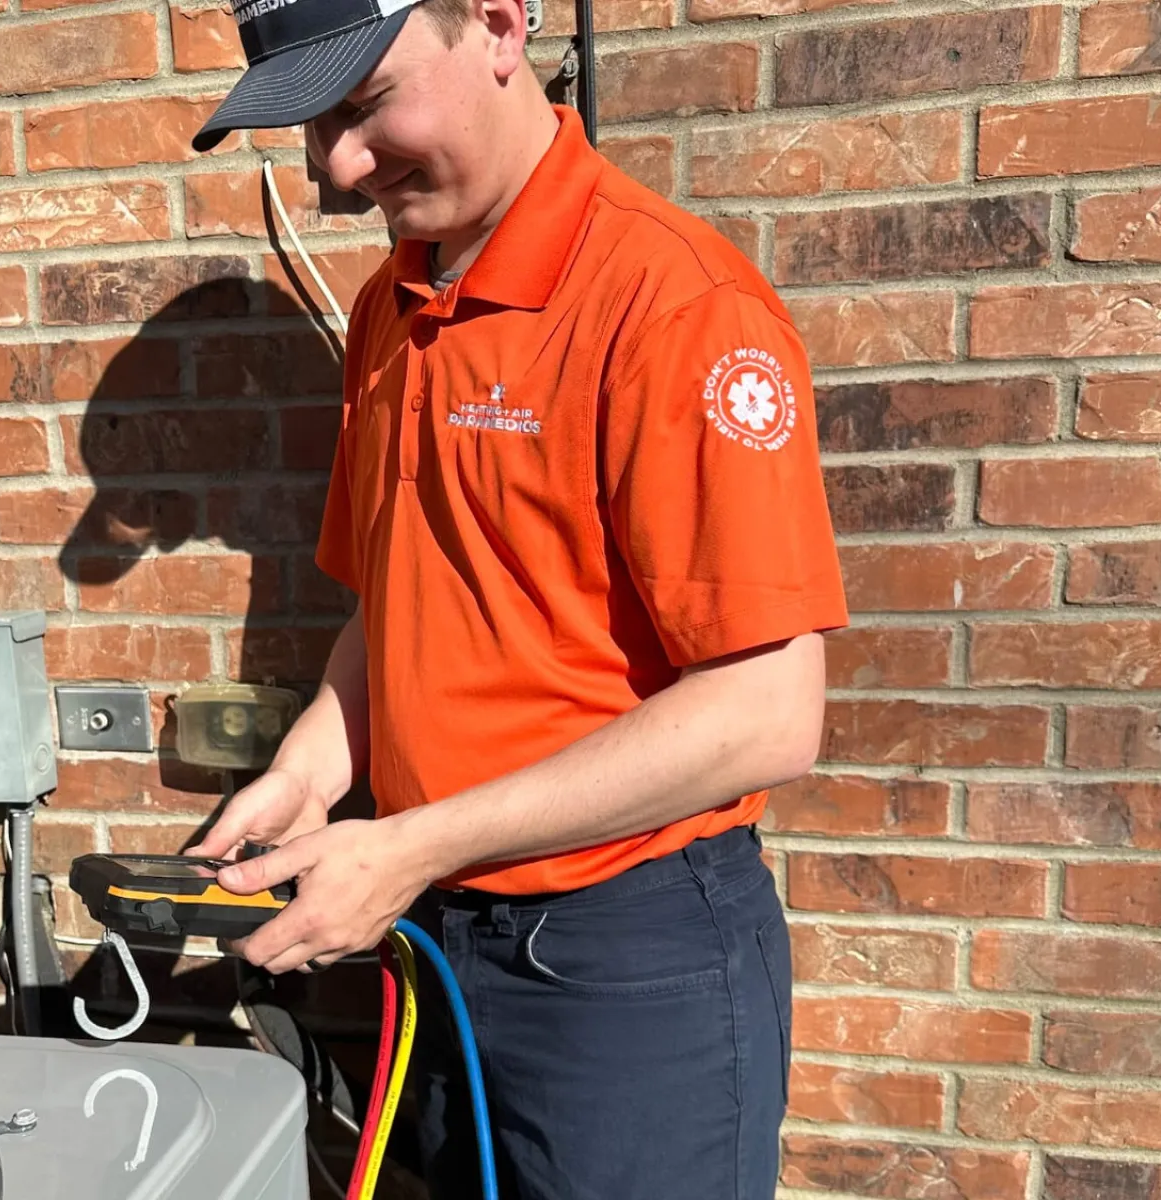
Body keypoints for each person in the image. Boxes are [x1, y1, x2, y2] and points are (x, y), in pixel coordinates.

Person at [187, 1, 849, 1195]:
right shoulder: (391, 305)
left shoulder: (673, 304)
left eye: (363, 103)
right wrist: (307, 774)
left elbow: (767, 707)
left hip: (624, 959)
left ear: (496, 26)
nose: (335, 169)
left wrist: (412, 843)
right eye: (311, 124)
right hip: (444, 933)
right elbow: (400, 600)